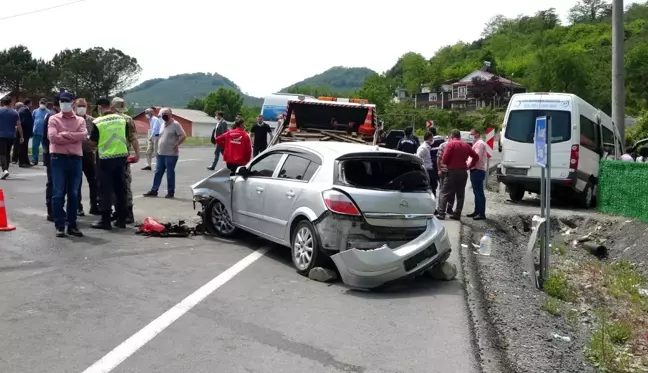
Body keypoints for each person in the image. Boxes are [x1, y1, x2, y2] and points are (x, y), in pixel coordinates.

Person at [89, 98, 139, 230]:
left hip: (105, 159)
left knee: (104, 190)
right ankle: (121, 220)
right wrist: (137, 154)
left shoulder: (98, 122)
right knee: (120, 189)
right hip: (121, 158)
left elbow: (93, 143)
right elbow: (131, 137)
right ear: (110, 107)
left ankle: (105, 220)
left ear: (100, 107)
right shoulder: (123, 120)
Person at [47, 91, 87, 237]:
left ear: (73, 103)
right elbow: (52, 137)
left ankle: (72, 225)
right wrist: (72, 137)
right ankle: (60, 225)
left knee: (73, 194)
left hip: (75, 160)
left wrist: (63, 134)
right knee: (58, 194)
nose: (64, 104)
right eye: (62, 101)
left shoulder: (80, 120)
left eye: (67, 101)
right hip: (58, 159)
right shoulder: (53, 119)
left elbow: (83, 135)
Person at [436, 129, 479, 221]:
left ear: (451, 136)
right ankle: (457, 214)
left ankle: (441, 213)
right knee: (460, 194)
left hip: (452, 172)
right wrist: (469, 166)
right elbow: (476, 157)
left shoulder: (450, 144)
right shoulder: (466, 145)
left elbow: (445, 159)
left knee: (444, 192)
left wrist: (446, 164)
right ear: (460, 136)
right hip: (463, 172)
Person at [143, 108, 187, 198]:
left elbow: (183, 135)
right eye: (163, 114)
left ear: (171, 114)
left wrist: (177, 144)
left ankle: (170, 192)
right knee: (158, 172)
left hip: (171, 154)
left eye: (166, 114)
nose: (164, 116)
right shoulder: (162, 124)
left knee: (170, 173)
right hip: (160, 153)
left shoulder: (176, 124)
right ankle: (154, 190)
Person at [111, 97, 139, 224]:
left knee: (112, 185)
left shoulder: (108, 119)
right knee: (125, 184)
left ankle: (118, 211)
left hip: (108, 156)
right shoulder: (128, 119)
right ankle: (127, 213)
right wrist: (137, 154)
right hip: (123, 156)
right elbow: (133, 138)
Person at [73, 98, 99, 216]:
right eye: (79, 106)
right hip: (76, 155)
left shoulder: (92, 121)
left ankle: (94, 206)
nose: (81, 108)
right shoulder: (71, 120)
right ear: (74, 107)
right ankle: (78, 207)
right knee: (76, 183)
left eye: (84, 106)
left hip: (89, 155)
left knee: (94, 182)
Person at [42, 95, 61, 220]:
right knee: (53, 183)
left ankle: (53, 211)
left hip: (50, 152)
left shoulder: (51, 114)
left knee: (54, 182)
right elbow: (50, 137)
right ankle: (52, 211)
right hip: (52, 154)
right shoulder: (52, 116)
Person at [0, 96, 24, 180]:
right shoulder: (15, 113)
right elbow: (19, 125)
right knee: (7, 152)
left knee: (1, 153)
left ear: (3, 103)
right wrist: (21, 136)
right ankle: (6, 169)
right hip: (11, 135)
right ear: (10, 103)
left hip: (1, 135)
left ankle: (5, 169)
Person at [467, 128, 488, 220]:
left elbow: (476, 157)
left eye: (472, 134)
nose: (471, 136)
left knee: (479, 193)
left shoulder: (479, 144)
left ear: (478, 134)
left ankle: (481, 213)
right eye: (470, 134)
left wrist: (468, 165)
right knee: (476, 192)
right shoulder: (477, 143)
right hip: (475, 169)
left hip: (477, 169)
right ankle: (477, 211)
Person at [436, 131, 454, 215]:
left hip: (452, 171)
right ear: (449, 136)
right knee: (443, 190)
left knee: (451, 191)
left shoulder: (456, 146)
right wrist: (439, 169)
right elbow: (439, 159)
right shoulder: (443, 145)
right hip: (444, 171)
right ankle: (441, 208)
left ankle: (449, 208)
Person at [14, 99, 33, 167]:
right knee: (23, 147)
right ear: (29, 103)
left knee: (25, 147)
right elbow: (25, 122)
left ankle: (26, 161)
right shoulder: (25, 110)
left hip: (23, 131)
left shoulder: (22, 109)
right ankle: (22, 162)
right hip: (24, 132)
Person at [32, 98, 49, 165]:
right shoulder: (35, 111)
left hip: (45, 132)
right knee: (35, 147)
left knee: (45, 147)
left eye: (43, 103)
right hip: (36, 132)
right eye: (41, 103)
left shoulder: (48, 112)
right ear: (39, 103)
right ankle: (34, 160)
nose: (42, 104)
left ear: (46, 104)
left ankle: (46, 160)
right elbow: (33, 120)